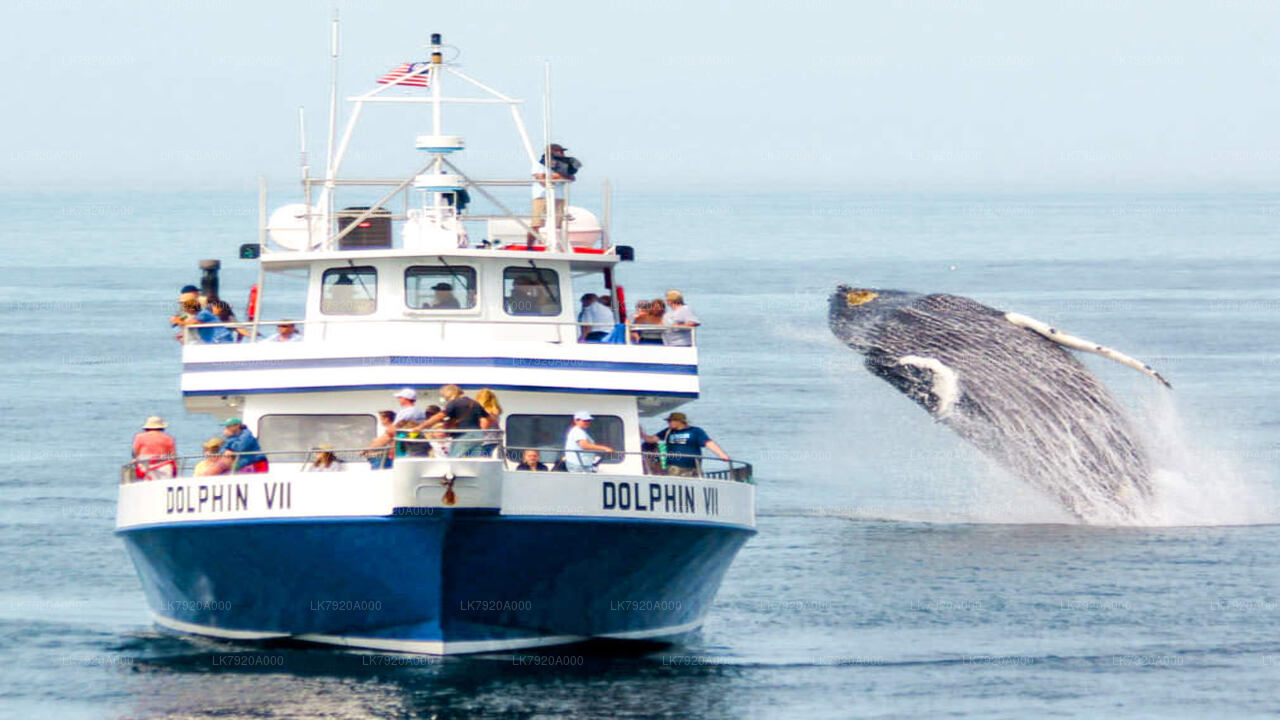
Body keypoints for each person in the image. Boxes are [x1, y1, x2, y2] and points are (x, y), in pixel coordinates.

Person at [643, 412, 729, 478]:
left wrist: (722, 455)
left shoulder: (695, 431)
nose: (669, 423)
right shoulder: (668, 431)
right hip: (673, 466)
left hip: (692, 467)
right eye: (668, 421)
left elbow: (708, 443)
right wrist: (641, 434)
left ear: (679, 421)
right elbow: (651, 439)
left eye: (671, 421)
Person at [413, 385, 488, 457]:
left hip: (463, 435)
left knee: (453, 458)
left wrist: (421, 426)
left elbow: (439, 416)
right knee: (475, 460)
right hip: (478, 435)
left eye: (445, 397)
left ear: (449, 394)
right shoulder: (474, 403)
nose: (446, 400)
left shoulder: (454, 402)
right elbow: (486, 419)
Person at [529, 143, 581, 242]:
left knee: (557, 225)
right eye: (560, 152)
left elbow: (572, 177)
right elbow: (542, 181)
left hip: (559, 197)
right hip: (541, 196)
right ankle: (530, 246)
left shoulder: (562, 166)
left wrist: (558, 176)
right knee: (537, 224)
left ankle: (552, 244)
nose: (562, 154)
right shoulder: (539, 165)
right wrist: (557, 176)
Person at [132, 416, 177, 480]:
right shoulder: (168, 438)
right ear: (162, 427)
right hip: (164, 466)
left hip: (145, 465)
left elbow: (136, 452)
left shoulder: (139, 437)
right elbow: (172, 455)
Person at [475, 388, 503, 457]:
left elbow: (483, 427)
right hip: (493, 440)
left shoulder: (486, 413)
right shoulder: (495, 412)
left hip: (484, 442)